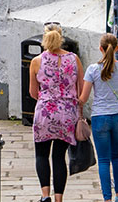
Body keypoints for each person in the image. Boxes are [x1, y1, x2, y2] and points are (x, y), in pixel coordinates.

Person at [78, 34, 118, 202]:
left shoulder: (92, 70)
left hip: (99, 118)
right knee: (117, 157)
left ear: (100, 49)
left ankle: (107, 199)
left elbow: (83, 98)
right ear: (116, 48)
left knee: (103, 160)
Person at [29, 26, 83, 202]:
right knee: (59, 156)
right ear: (61, 38)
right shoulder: (74, 59)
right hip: (67, 113)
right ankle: (59, 198)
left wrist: (47, 97)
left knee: (41, 155)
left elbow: (32, 91)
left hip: (45, 112)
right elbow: (81, 89)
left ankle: (45, 196)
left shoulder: (37, 61)